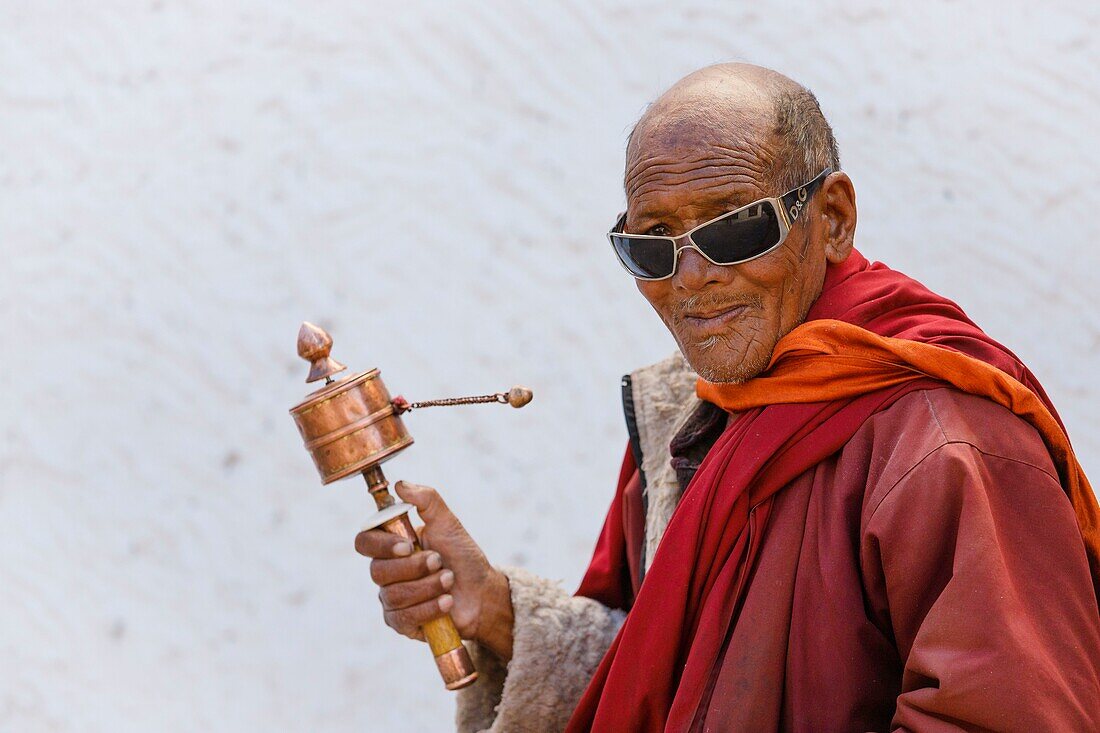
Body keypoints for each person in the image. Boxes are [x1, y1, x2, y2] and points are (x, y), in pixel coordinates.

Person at [354, 63, 1100, 732]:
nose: (691, 277)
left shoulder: (944, 447)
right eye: (653, 242)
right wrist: (495, 610)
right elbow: (671, 678)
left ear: (832, 219)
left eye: (735, 226)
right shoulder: (694, 414)